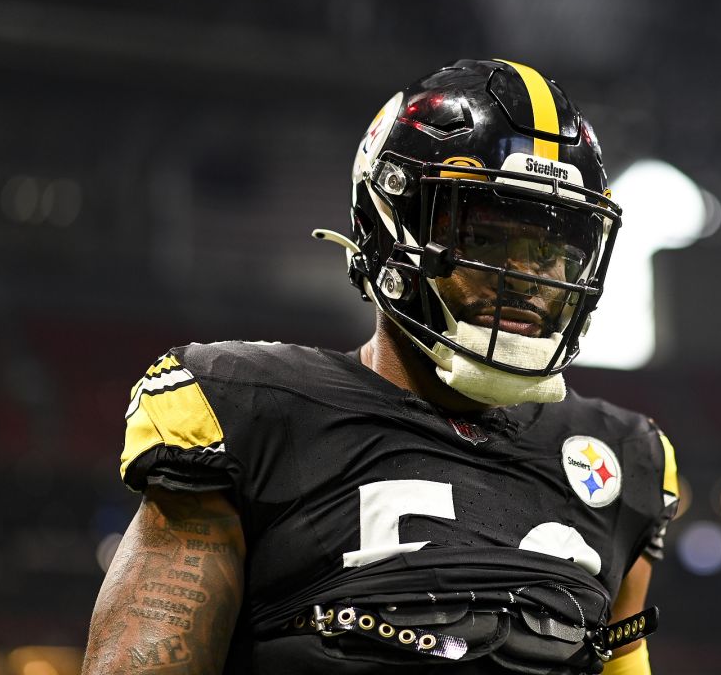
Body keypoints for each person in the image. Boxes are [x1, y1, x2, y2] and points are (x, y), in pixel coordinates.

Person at [81, 58, 680, 675]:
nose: (530, 278)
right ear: (389, 228)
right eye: (488, 238)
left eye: (554, 251)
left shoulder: (621, 460)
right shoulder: (257, 414)